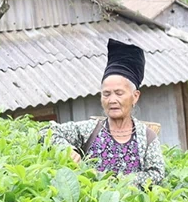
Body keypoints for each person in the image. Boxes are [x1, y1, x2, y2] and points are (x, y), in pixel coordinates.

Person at [43, 39, 165, 187]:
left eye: (119, 93)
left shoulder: (147, 137)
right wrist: (66, 149)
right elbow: (46, 131)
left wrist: (114, 182)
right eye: (106, 94)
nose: (112, 100)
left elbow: (156, 174)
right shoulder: (90, 130)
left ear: (135, 96)